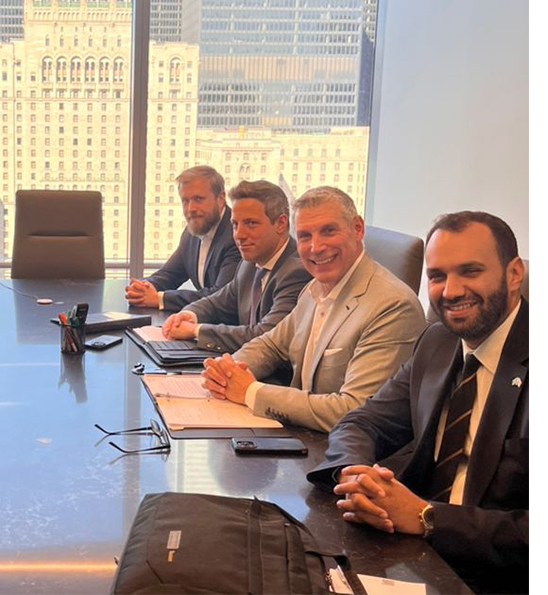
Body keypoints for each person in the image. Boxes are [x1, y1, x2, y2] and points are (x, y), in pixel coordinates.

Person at [307, 211, 528, 595]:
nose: (451, 291)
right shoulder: (437, 341)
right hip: (413, 554)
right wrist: (355, 477)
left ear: (514, 274)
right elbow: (362, 422)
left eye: (470, 271)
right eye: (437, 276)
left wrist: (428, 517)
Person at [201, 186, 426, 431]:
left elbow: (354, 410)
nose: (316, 247)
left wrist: (251, 392)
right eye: (305, 236)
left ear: (358, 228)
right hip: (303, 434)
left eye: (329, 231)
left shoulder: (393, 306)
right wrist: (228, 371)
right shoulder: (315, 286)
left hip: (343, 449)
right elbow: (272, 344)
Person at [160, 180, 311, 354]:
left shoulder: (297, 271)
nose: (239, 235)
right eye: (235, 224)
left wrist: (195, 330)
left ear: (281, 223)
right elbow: (216, 303)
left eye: (251, 223)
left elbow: (266, 336)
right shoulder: (249, 264)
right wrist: (188, 315)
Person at [126, 165, 239, 311]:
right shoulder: (193, 230)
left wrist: (160, 298)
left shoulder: (236, 235)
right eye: (185, 201)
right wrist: (143, 287)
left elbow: (220, 296)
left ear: (221, 199)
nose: (191, 208)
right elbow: (170, 274)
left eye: (198, 199)